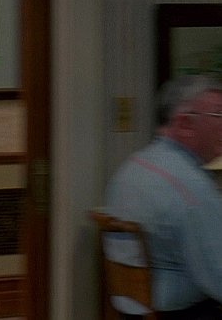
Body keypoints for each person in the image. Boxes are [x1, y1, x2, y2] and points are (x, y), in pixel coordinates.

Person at [104, 75, 222, 319]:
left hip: (131, 308)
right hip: (179, 312)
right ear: (185, 124)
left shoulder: (133, 165)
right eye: (218, 114)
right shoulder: (192, 189)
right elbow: (218, 278)